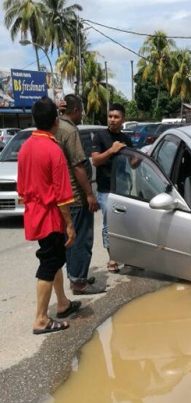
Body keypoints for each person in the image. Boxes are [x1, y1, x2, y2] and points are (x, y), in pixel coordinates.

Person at [17, 97, 82, 335]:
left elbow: (22, 188)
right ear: (56, 120)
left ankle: (62, 303)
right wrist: (70, 225)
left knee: (53, 259)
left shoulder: (25, 147)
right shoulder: (53, 150)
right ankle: (41, 319)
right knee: (49, 263)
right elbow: (63, 195)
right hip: (50, 216)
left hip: (35, 213)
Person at [54, 94, 105, 295]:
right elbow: (78, 166)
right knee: (81, 239)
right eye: (81, 111)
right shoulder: (70, 131)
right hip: (76, 196)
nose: (82, 114)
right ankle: (78, 282)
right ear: (75, 111)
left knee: (72, 238)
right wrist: (90, 194)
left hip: (65, 195)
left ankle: (77, 275)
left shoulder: (56, 126)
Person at [91, 103, 133, 274]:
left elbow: (133, 163)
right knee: (109, 225)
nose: (112, 120)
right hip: (105, 189)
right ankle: (112, 257)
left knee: (125, 224)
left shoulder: (126, 139)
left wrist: (139, 158)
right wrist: (112, 150)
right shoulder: (100, 137)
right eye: (110, 116)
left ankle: (129, 256)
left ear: (123, 119)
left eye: (116, 117)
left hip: (123, 189)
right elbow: (96, 160)